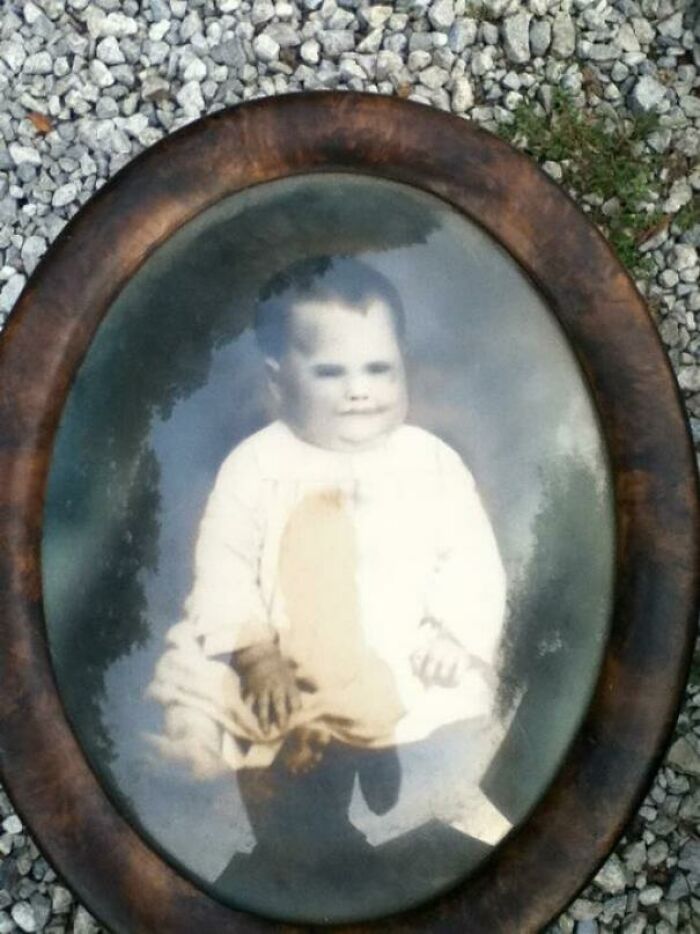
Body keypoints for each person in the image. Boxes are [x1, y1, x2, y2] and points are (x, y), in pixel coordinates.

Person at [147, 256, 509, 896]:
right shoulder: (256, 467)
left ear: (403, 367)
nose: (358, 391)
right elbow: (224, 560)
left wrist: (453, 634)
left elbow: (471, 557)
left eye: (378, 369)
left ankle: (383, 750)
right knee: (276, 760)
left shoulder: (428, 461)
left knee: (428, 717)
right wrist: (255, 652)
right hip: (291, 666)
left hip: (398, 653)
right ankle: (309, 845)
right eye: (331, 372)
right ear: (277, 383)